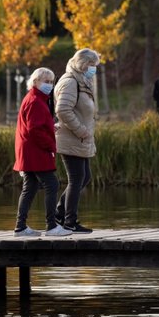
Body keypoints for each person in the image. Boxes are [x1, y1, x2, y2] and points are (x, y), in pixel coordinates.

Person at [12, 67, 71, 237]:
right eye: (46, 81)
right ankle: (51, 226)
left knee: (29, 187)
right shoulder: (36, 101)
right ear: (36, 81)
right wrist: (50, 145)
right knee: (52, 184)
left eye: (52, 81)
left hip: (28, 150)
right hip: (36, 151)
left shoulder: (35, 98)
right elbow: (34, 130)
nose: (50, 85)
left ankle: (20, 227)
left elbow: (35, 125)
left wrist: (50, 128)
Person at [53, 48, 100, 234]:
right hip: (72, 138)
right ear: (83, 64)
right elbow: (63, 110)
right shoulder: (70, 81)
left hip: (80, 139)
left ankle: (59, 213)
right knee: (77, 178)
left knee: (84, 177)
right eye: (92, 65)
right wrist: (81, 130)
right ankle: (69, 222)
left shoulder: (81, 81)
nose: (94, 69)